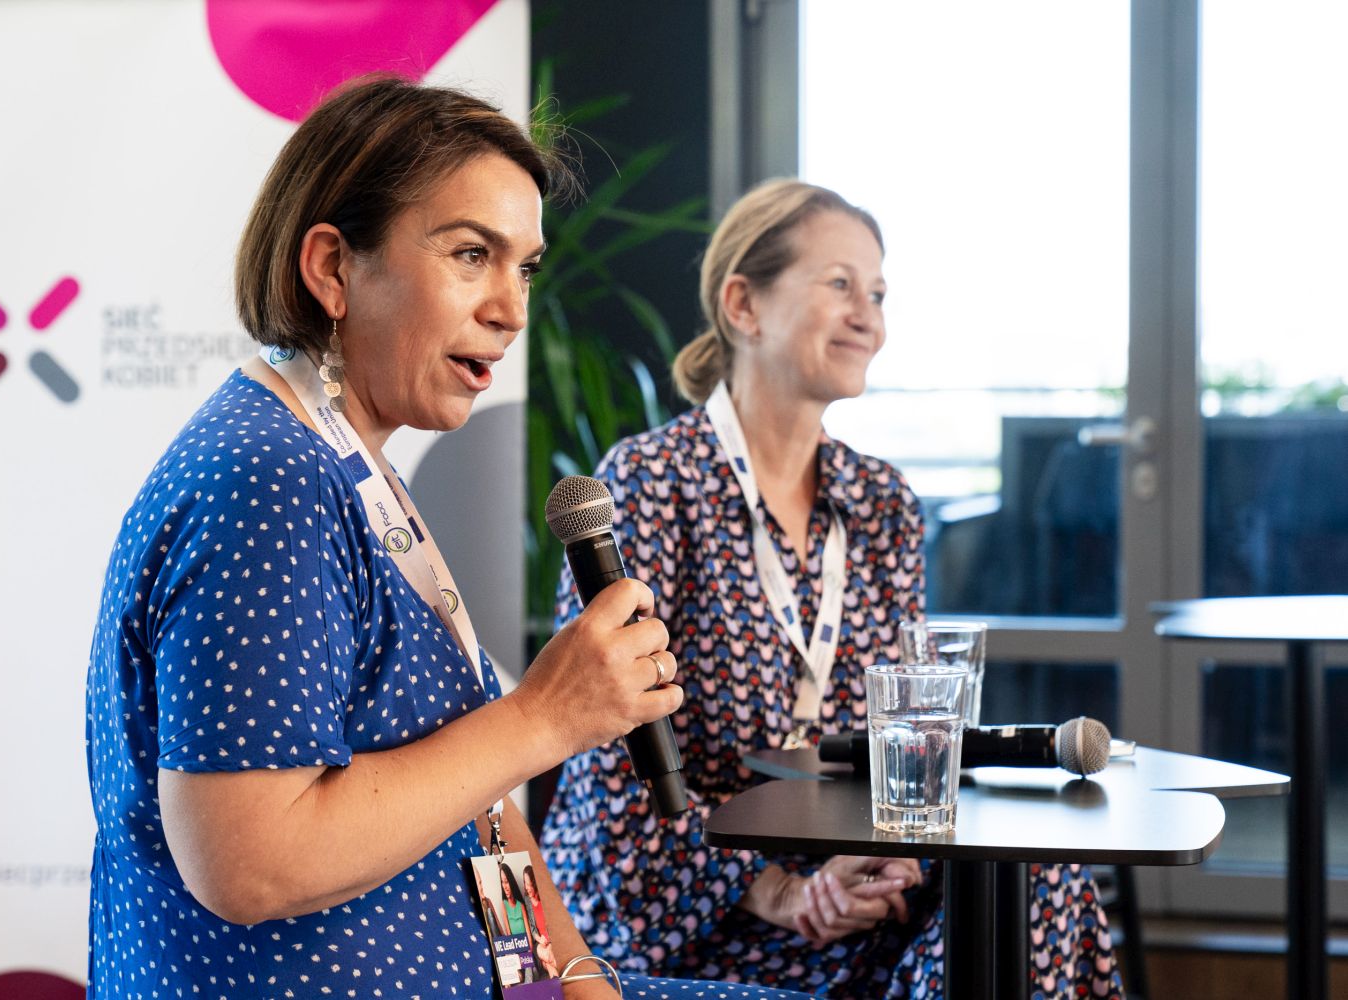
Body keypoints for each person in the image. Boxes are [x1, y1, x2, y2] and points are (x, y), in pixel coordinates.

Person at [84, 76, 816, 1000]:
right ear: (333, 268)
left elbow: (474, 800)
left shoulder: (346, 463)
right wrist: (542, 717)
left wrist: (578, 985)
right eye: (472, 254)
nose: (512, 309)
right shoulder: (269, 482)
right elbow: (248, 862)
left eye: (525, 268)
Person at [539, 178, 1125, 999]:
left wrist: (891, 857)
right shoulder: (650, 484)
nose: (869, 319)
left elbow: (903, 730)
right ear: (743, 304)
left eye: (877, 294)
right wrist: (779, 891)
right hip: (684, 910)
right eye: (841, 284)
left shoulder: (881, 501)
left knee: (1038, 885)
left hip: (843, 886)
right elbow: (605, 761)